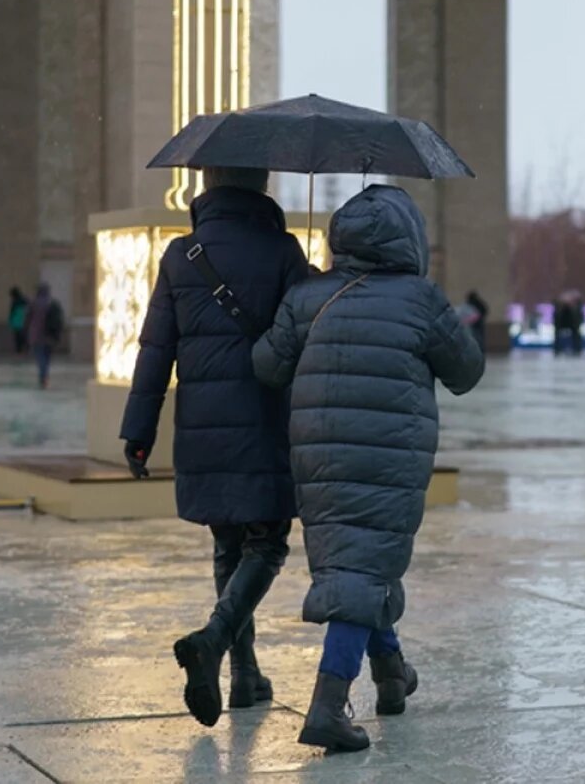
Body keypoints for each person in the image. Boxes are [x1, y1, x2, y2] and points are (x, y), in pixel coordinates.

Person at [253, 185, 485, 752]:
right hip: (390, 450)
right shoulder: (420, 300)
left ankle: (391, 678)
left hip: (318, 452)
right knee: (365, 563)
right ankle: (328, 705)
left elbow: (266, 365)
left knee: (359, 562)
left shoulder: (311, 295)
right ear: (410, 240)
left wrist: (299, 297)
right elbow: (467, 371)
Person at [120, 166, 309, 728]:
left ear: (208, 184)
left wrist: (139, 429)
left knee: (229, 544)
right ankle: (216, 640)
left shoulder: (182, 255)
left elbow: (156, 348)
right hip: (264, 419)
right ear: (262, 185)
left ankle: (245, 675)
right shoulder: (282, 250)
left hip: (201, 426)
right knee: (268, 542)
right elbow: (302, 334)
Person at [25, 283, 64, 388]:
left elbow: (27, 319)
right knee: (47, 357)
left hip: (36, 335)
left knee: (40, 357)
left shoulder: (33, 303)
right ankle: (45, 376)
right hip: (50, 335)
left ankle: (43, 377)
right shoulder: (52, 303)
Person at [9, 287, 29, 354]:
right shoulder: (24, 299)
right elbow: (28, 309)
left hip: (17, 321)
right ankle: (26, 348)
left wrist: (10, 320)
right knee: (24, 335)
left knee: (17, 336)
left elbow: (12, 312)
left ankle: (19, 349)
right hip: (24, 320)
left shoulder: (14, 301)